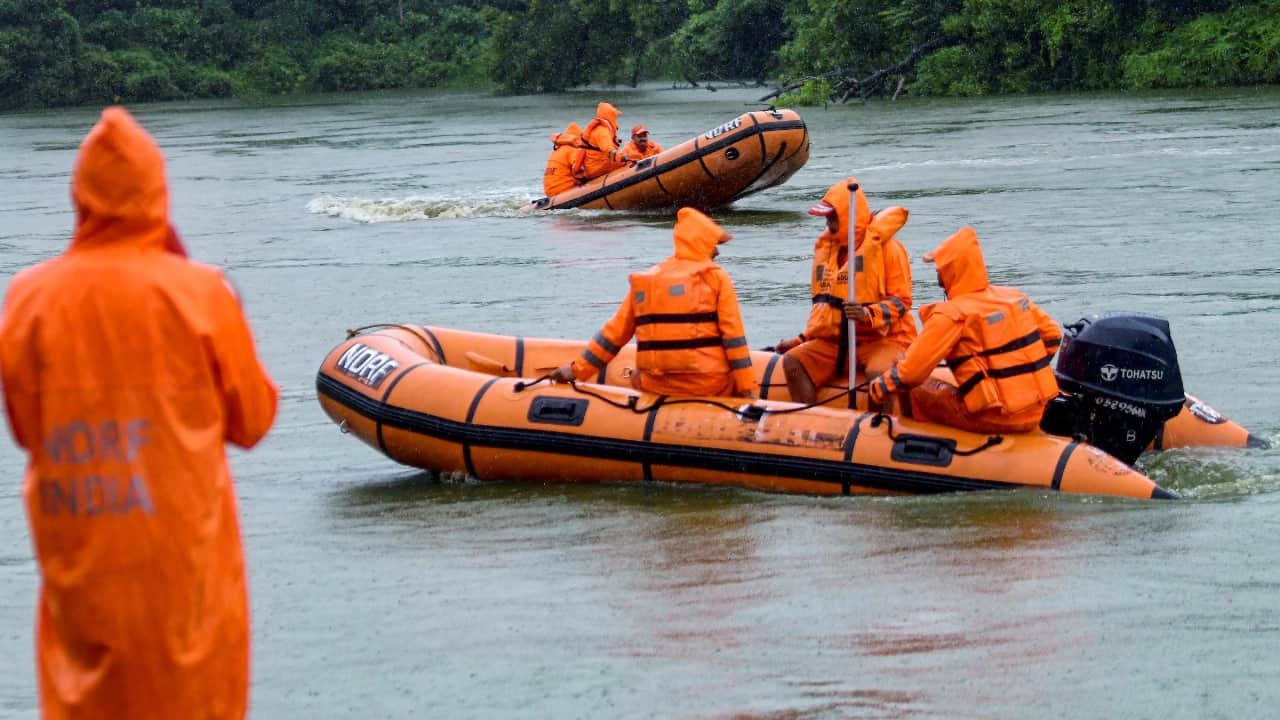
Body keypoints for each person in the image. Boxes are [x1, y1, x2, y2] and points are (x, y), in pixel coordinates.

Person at [0, 106, 279, 719]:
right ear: (157, 191)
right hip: (182, 578)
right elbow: (254, 420)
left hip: (82, 566)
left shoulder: (28, 298)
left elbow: (25, 428)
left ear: (80, 195)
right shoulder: (200, 292)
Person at [868, 226, 1062, 434]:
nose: (937, 274)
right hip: (1035, 413)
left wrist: (878, 388)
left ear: (949, 271)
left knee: (915, 390)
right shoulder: (1014, 297)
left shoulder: (952, 315)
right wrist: (1024, 373)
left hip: (993, 418)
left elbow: (911, 374)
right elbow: (1053, 336)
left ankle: (906, 440)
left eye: (939, 268)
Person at [550, 207, 755, 398]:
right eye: (714, 244)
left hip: (656, 386)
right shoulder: (715, 277)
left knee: (635, 376)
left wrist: (576, 370)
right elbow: (733, 336)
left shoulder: (648, 280)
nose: (717, 251)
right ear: (704, 242)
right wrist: (747, 389)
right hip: (709, 385)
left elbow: (613, 335)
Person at [773, 178, 916, 405]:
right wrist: (801, 339)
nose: (827, 222)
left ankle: (881, 424)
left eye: (832, 216)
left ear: (848, 215)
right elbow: (826, 312)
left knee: (878, 376)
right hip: (839, 343)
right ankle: (811, 418)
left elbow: (902, 302)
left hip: (885, 340)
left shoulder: (889, 249)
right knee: (793, 362)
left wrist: (867, 314)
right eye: (827, 217)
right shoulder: (829, 251)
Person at [571, 101, 630, 182]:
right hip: (599, 167)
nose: (615, 119)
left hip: (593, 167)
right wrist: (622, 157)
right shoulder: (602, 131)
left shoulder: (599, 129)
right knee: (629, 163)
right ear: (610, 116)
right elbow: (608, 150)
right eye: (614, 116)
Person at [544, 121, 585, 196]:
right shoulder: (572, 150)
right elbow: (579, 169)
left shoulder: (556, 151)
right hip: (563, 190)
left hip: (549, 191)